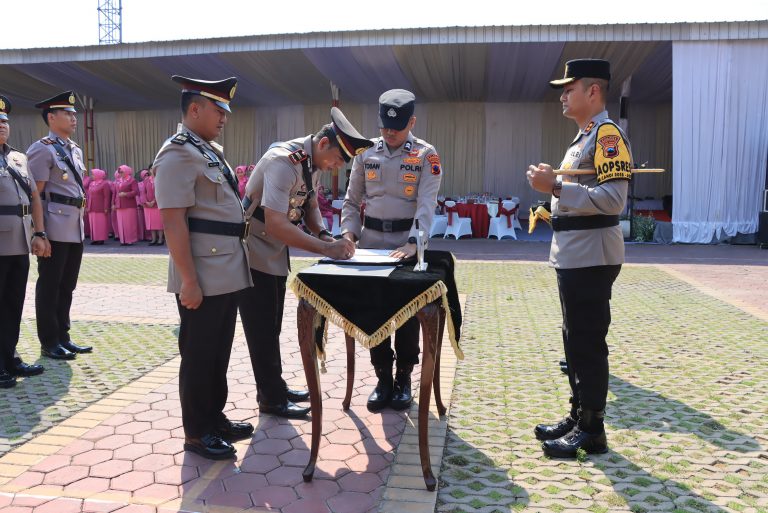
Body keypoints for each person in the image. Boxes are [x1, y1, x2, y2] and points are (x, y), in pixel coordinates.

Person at [526, 59, 631, 458]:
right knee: (573, 339)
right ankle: (578, 414)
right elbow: (579, 200)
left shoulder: (607, 136)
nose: (563, 96)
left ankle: (593, 430)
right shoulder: (582, 138)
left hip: (592, 255)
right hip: (574, 253)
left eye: (571, 88)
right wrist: (552, 197)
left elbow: (613, 200)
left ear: (594, 91)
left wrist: (553, 184)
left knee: (588, 342)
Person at [240, 107, 369, 418]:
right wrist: (326, 250)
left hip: (271, 250)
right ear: (324, 144)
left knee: (271, 326)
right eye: (337, 160)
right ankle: (271, 398)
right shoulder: (284, 162)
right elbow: (276, 224)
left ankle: (275, 387)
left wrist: (325, 235)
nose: (336, 167)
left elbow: (309, 203)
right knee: (261, 329)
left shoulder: (310, 162)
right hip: (253, 249)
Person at [153, 75, 253, 460]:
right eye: (217, 109)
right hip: (202, 274)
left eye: (226, 110)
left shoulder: (208, 151)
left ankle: (215, 418)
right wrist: (189, 280)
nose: (224, 117)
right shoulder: (178, 153)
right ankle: (197, 432)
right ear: (194, 110)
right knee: (199, 354)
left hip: (225, 269)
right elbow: (173, 221)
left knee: (218, 352)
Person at [341, 89, 442, 412]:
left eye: (397, 127)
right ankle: (382, 377)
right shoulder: (365, 152)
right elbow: (351, 200)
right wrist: (348, 234)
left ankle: (404, 378)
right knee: (375, 312)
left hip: (406, 246)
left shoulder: (426, 156)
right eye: (385, 126)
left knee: (408, 313)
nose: (390, 132)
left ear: (411, 122)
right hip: (371, 245)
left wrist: (415, 242)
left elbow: (427, 204)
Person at [27, 91, 93, 360]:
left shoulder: (74, 149)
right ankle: (49, 340)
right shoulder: (42, 149)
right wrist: (39, 232)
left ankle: (63, 335)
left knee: (67, 285)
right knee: (50, 285)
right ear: (51, 118)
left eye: (74, 113)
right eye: (67, 113)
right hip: (53, 226)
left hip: (74, 226)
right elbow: (36, 195)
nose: (73, 117)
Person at [0, 94, 48, 388]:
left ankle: (9, 355)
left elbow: (34, 198)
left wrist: (39, 233)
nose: (2, 126)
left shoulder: (18, 158)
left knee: (13, 303)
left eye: (5, 121)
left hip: (19, 241)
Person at [114, 164, 139, 246]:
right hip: (119, 205)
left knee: (129, 223)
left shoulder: (132, 180)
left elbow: (135, 192)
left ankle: (130, 240)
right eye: (119, 172)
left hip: (129, 205)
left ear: (127, 172)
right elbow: (115, 193)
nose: (120, 173)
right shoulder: (118, 181)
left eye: (122, 172)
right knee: (121, 223)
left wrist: (126, 194)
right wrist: (114, 203)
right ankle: (123, 240)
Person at [86, 168, 111, 245]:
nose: (92, 176)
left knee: (100, 224)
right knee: (93, 224)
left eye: (93, 174)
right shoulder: (91, 184)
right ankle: (95, 239)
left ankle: (101, 239)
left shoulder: (104, 184)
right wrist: (87, 206)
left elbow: (107, 196)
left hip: (100, 207)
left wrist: (106, 207)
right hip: (91, 207)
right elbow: (88, 196)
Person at [142, 167, 164, 245]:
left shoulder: (160, 179)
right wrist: (146, 202)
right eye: (151, 168)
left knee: (159, 223)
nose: (152, 170)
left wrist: (154, 201)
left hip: (158, 204)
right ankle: (153, 239)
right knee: (151, 223)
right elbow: (143, 192)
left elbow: (162, 191)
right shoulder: (146, 180)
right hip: (148, 205)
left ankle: (160, 239)